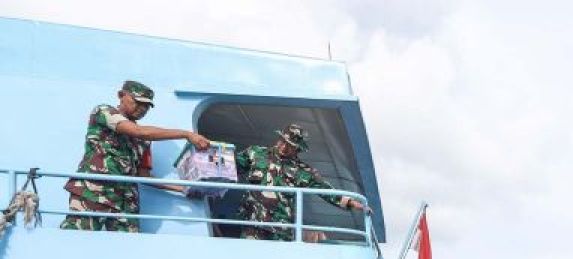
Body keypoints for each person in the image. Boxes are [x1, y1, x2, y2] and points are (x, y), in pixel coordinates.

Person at [62, 80, 210, 233]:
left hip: (125, 202)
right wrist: (186, 134)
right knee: (76, 239)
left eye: (147, 106)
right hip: (93, 192)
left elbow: (143, 176)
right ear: (121, 96)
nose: (142, 109)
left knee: (128, 249)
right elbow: (138, 131)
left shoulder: (144, 141)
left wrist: (183, 189)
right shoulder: (104, 112)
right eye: (138, 102)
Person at [234, 124, 365, 241]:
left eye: (291, 146)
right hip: (252, 222)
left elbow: (325, 190)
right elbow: (230, 166)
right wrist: (214, 152)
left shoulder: (304, 172)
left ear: (298, 149)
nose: (284, 147)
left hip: (281, 230)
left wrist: (350, 202)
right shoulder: (256, 153)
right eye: (283, 142)